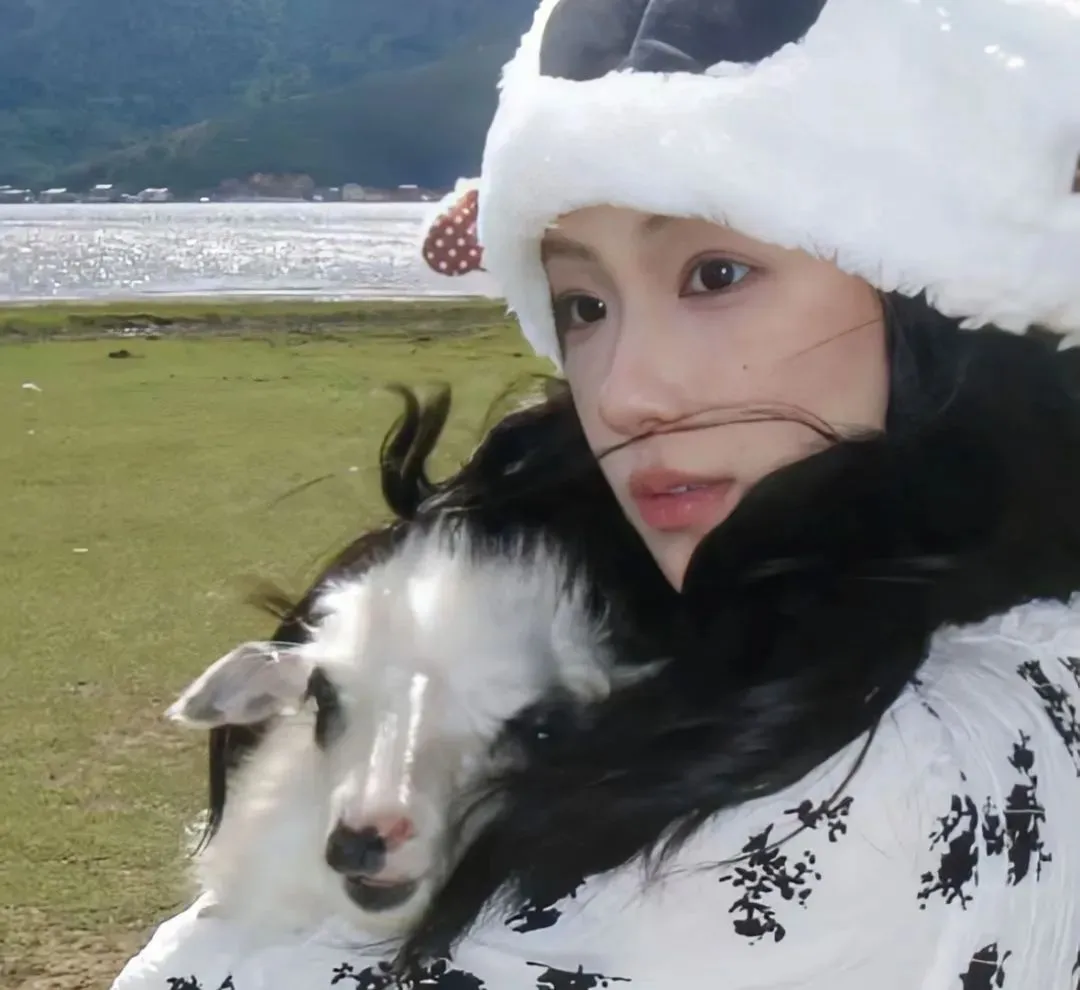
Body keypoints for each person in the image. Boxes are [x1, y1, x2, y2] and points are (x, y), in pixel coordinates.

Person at [112, 0, 1080, 987]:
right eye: (584, 304)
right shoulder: (1010, 648)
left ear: (936, 279)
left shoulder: (833, 805)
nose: (622, 394)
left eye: (716, 273)